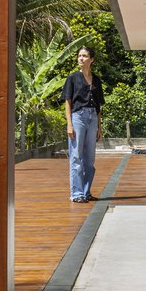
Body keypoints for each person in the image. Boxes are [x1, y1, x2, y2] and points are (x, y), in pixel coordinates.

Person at [61, 45, 104, 202]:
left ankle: (86, 192)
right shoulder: (72, 78)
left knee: (89, 158)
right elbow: (68, 102)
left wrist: (99, 126)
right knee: (76, 157)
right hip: (78, 117)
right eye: (79, 55)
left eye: (85, 56)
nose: (81, 58)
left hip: (93, 117)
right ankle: (76, 194)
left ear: (91, 60)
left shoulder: (97, 80)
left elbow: (99, 106)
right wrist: (69, 124)